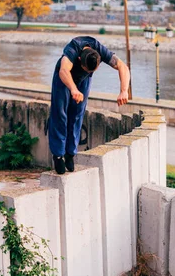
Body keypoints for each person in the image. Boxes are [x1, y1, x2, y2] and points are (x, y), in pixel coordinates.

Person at [49, 36, 131, 174]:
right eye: (87, 69)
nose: (89, 72)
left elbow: (122, 66)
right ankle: (58, 155)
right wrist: (73, 89)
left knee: (77, 114)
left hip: (83, 81)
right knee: (60, 114)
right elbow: (64, 71)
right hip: (64, 79)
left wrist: (124, 91)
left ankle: (70, 153)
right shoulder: (73, 49)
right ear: (80, 60)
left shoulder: (98, 49)